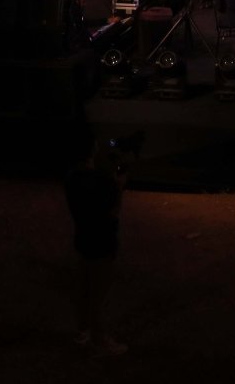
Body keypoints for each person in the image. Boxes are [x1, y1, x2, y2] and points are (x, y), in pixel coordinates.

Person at [65, 130, 130, 356]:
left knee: (83, 289)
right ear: (92, 149)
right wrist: (119, 187)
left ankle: (82, 332)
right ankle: (100, 339)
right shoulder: (103, 181)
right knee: (97, 295)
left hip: (82, 238)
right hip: (102, 241)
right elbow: (113, 213)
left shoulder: (71, 177)